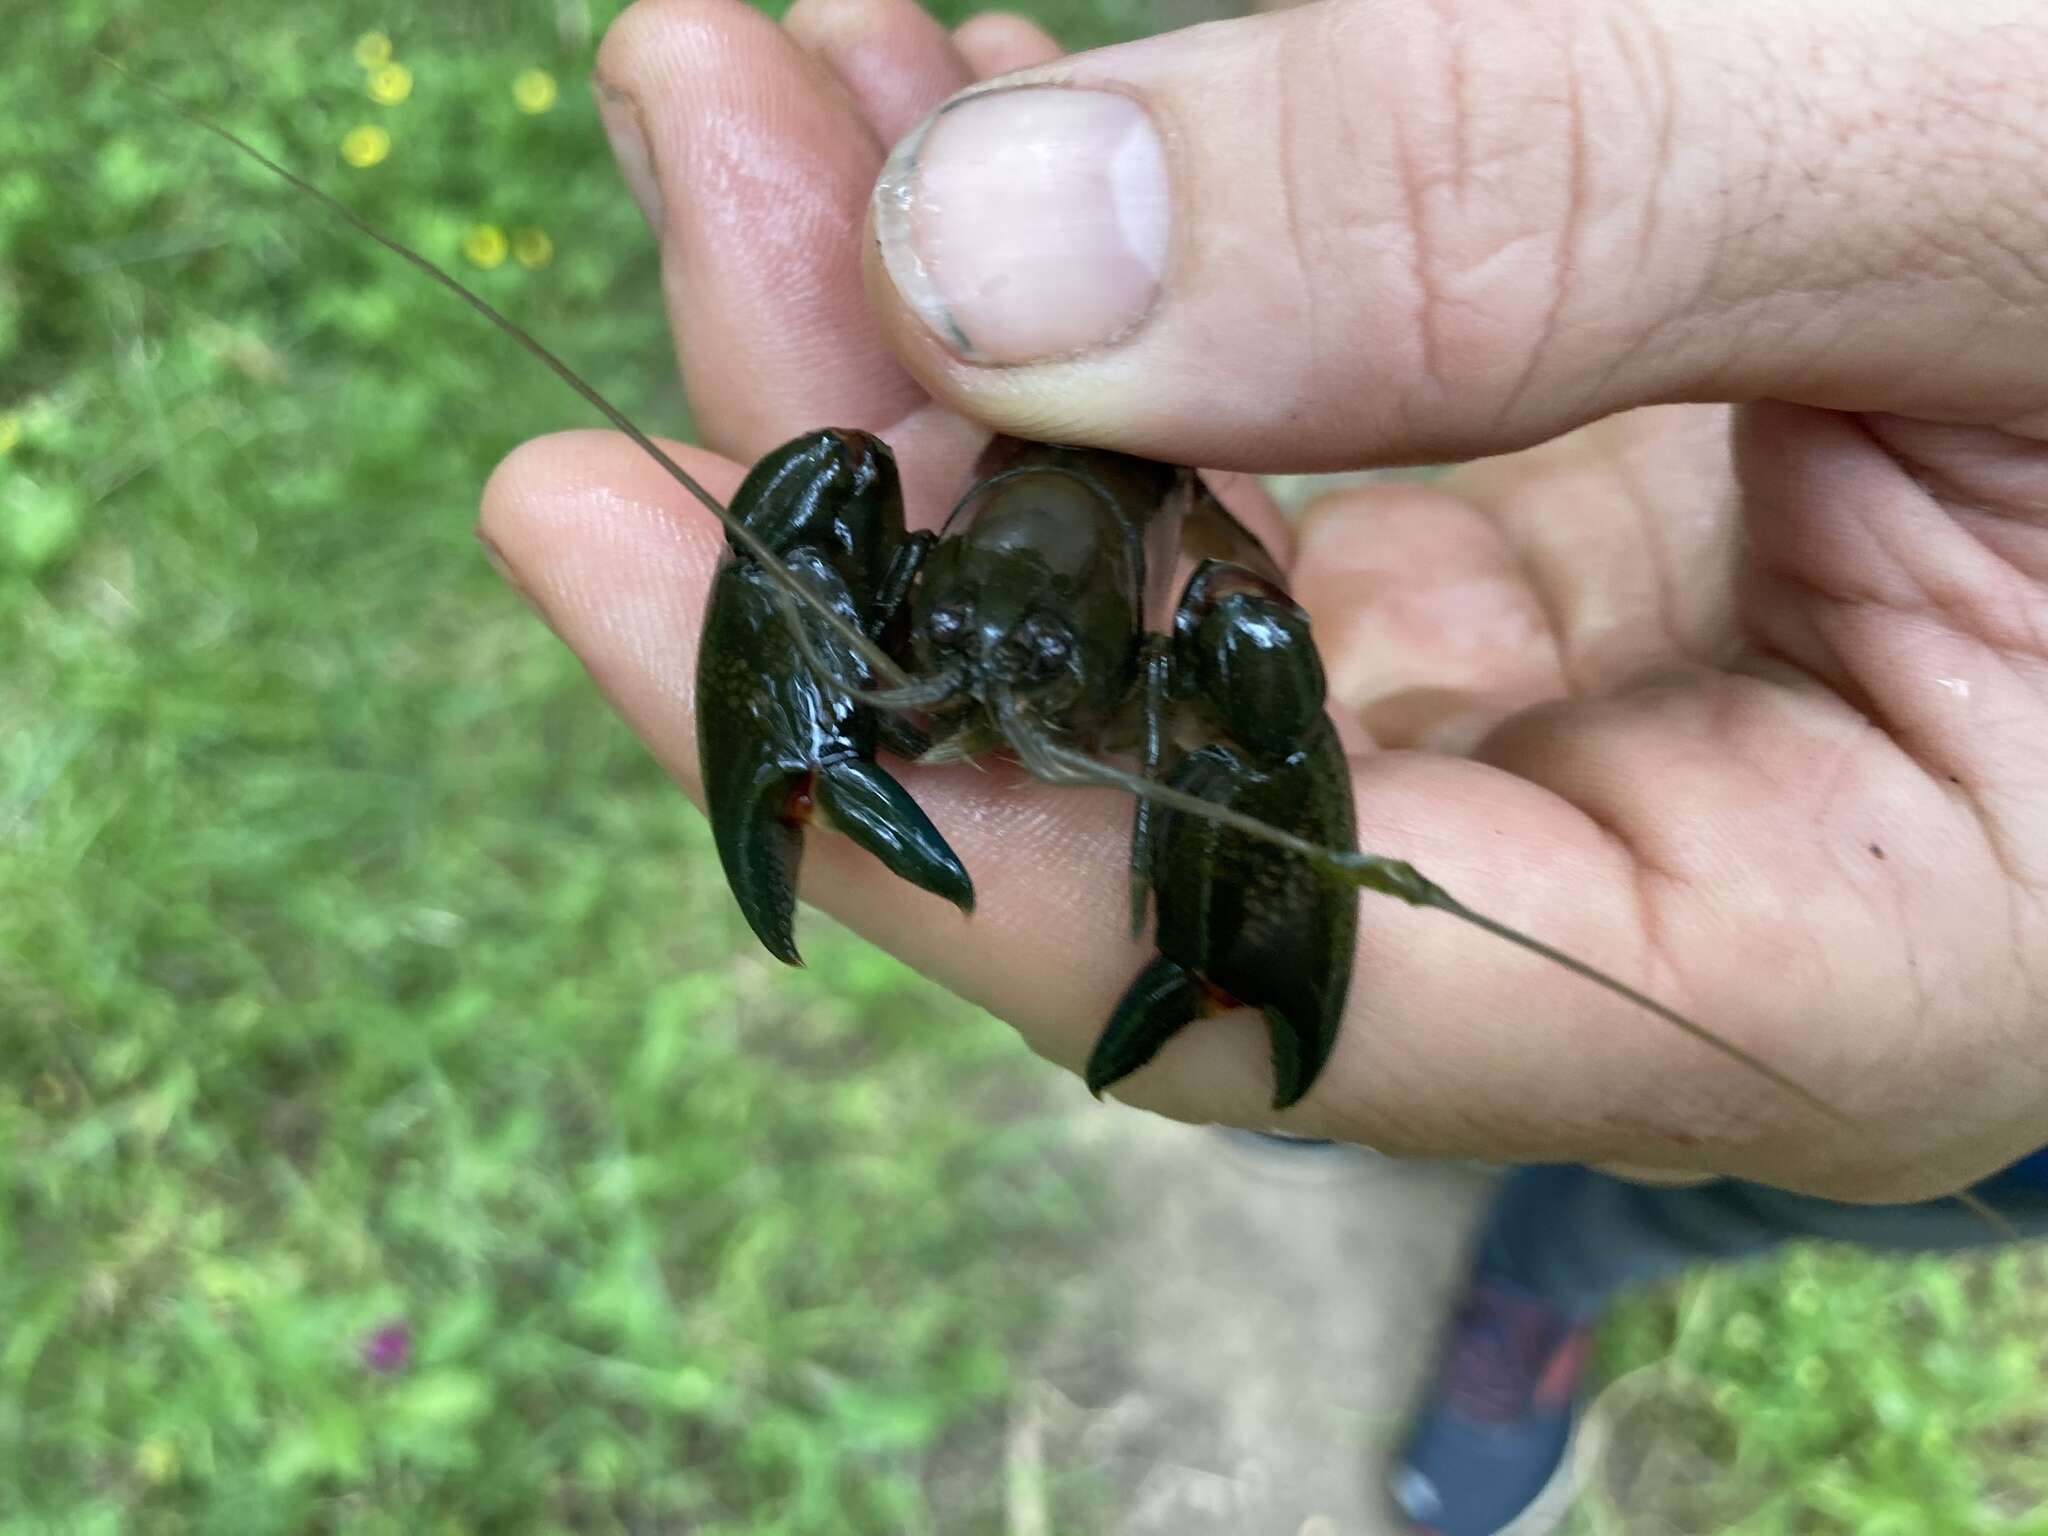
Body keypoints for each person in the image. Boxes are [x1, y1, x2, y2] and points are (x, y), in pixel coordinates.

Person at [478, 0, 2048, 1530]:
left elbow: (1251, 692)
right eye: (938, 643)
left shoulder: (1193, 616)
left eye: (1016, 687)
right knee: (820, 466)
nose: (963, 714)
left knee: (1750, 1169)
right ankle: (1309, 1071)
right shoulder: (920, 537)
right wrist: (833, 713)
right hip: (1052, 499)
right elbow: (822, 498)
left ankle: (1514, 1254)